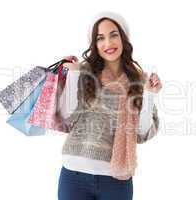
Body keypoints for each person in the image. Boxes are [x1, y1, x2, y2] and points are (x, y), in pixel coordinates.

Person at [58, 11, 162, 200]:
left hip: (116, 181)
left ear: (123, 38)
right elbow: (66, 117)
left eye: (113, 35)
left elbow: (142, 133)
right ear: (94, 44)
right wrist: (72, 75)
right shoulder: (83, 73)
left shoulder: (137, 80)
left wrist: (149, 94)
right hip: (74, 176)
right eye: (100, 38)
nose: (108, 43)